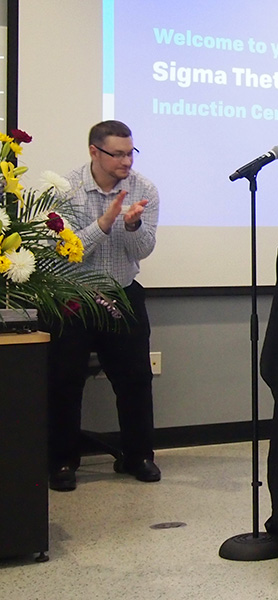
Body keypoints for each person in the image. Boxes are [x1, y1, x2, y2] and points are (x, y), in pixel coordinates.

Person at [46, 120, 160, 492]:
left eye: (131, 152)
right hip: (72, 296)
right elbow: (62, 255)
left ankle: (139, 456)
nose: (127, 161)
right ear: (95, 152)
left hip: (123, 292)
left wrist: (131, 227)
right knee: (64, 380)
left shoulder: (143, 189)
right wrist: (105, 223)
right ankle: (62, 460)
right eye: (118, 154)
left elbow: (144, 250)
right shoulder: (65, 191)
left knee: (136, 380)